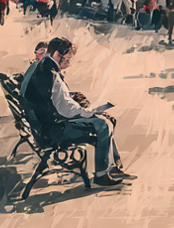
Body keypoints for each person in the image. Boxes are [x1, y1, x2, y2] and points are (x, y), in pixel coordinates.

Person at [21, 37, 131, 187]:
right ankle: (102, 174)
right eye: (67, 58)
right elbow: (65, 109)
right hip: (54, 130)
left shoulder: (41, 67)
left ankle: (113, 166)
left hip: (44, 124)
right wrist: (88, 112)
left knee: (102, 121)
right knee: (103, 124)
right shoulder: (51, 74)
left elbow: (57, 99)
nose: (68, 63)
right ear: (58, 55)